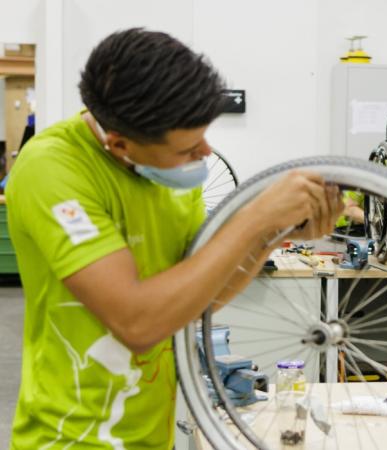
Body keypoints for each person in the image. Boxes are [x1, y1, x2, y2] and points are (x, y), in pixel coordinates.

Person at [6, 28, 342, 449]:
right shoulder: (53, 170)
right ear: (120, 144)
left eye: (203, 136)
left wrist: (270, 236)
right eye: (187, 148)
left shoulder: (169, 173)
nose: (204, 153)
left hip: (153, 435)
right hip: (70, 438)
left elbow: (197, 300)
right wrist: (253, 215)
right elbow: (138, 322)